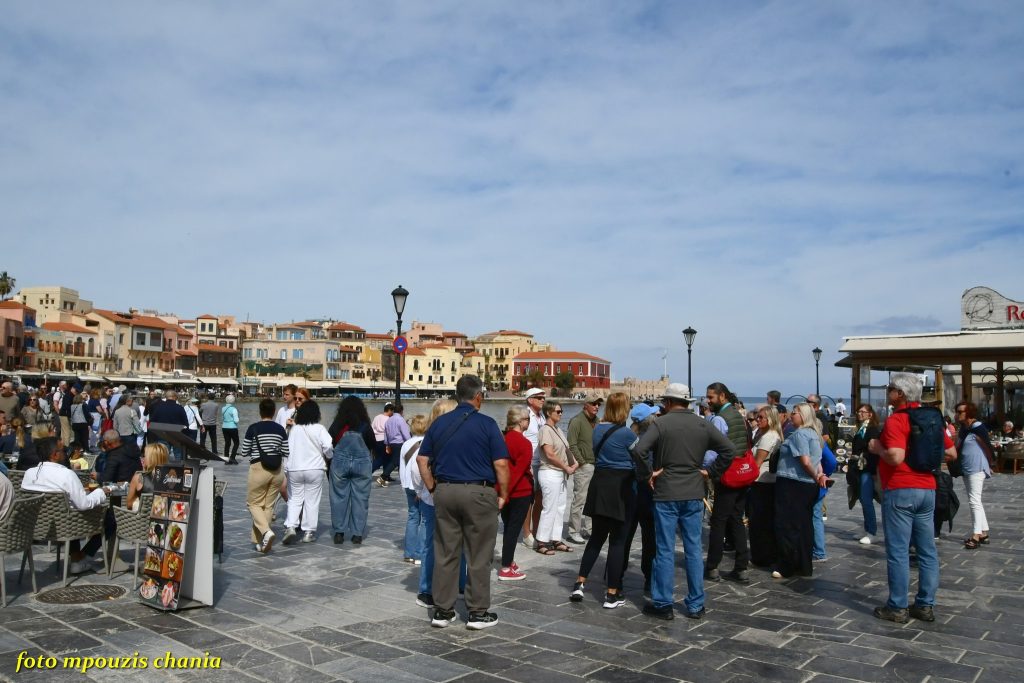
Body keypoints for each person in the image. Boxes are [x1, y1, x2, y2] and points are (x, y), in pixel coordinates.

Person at [416, 375, 509, 630]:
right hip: (479, 493)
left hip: (445, 491)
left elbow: (422, 461)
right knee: (479, 554)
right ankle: (477, 613)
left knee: (446, 552)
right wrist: (504, 494)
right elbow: (501, 464)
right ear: (478, 396)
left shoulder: (439, 424)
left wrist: (433, 488)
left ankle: (442, 611)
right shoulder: (488, 424)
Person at [636, 383, 735, 621]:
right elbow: (729, 450)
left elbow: (639, 450)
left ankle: (663, 603)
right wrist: (710, 472)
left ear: (669, 402)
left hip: (667, 492)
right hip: (693, 492)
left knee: (664, 550)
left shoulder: (661, 423)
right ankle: (695, 604)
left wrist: (648, 474)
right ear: (688, 402)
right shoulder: (702, 423)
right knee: (692, 549)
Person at [869, 373, 956, 623]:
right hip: (927, 488)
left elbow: (895, 457)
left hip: (900, 488)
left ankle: (897, 606)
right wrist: (923, 460)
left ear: (900, 394)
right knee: (927, 551)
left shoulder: (897, 420)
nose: (888, 392)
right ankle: (925, 604)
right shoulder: (932, 418)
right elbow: (950, 453)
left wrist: (877, 449)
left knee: (898, 551)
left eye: (891, 389)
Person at [569, 392, 640, 609]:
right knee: (618, 541)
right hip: (621, 487)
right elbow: (641, 458)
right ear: (624, 410)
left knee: (596, 538)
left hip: (600, 485)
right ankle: (611, 593)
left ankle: (580, 582)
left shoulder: (597, 429)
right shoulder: (627, 434)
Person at [21, 438, 115, 573]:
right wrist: (102, 492)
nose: (67, 452)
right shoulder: (66, 474)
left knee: (69, 508)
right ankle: (82, 556)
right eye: (63, 450)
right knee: (110, 518)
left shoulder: (29, 473)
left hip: (37, 526)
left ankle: (76, 557)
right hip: (65, 526)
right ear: (54, 455)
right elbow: (84, 504)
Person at [412, 399, 466, 608]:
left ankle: (427, 590)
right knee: (457, 543)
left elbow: (417, 470)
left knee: (430, 545)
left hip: (430, 498)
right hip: (448, 496)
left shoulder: (428, 438)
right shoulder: (458, 438)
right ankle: (459, 585)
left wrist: (426, 490)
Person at [703, 382, 752, 584]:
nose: (708, 401)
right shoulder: (738, 415)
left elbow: (714, 450)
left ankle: (713, 566)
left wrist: (707, 469)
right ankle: (741, 567)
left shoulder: (720, 420)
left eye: (711, 397)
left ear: (722, 396)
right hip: (741, 474)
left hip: (726, 475)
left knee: (719, 522)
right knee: (736, 519)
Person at [772, 403, 824, 579]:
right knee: (803, 525)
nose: (791, 415)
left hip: (792, 482)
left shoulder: (800, 434)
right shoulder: (813, 434)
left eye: (794, 413)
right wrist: (818, 476)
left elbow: (806, 461)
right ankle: (803, 564)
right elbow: (818, 460)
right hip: (805, 484)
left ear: (803, 416)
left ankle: (786, 565)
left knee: (786, 525)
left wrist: (815, 476)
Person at [241, 398, 289, 553]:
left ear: (260, 411)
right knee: (267, 506)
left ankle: (266, 532)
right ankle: (259, 542)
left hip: (259, 468)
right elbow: (286, 452)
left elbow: (244, 451)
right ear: (274, 412)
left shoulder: (253, 428)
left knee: (253, 504)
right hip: (277, 471)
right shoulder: (280, 429)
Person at [282, 399, 333, 545]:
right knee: (312, 500)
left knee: (294, 499)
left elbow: (287, 450)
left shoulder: (295, 429)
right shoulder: (320, 428)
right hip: (315, 469)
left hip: (295, 468)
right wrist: (329, 457)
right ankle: (309, 532)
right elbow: (328, 446)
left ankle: (291, 526)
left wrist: (286, 468)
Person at [621, 403, 659, 594]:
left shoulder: (628, 435)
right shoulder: (652, 440)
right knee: (649, 537)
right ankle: (649, 578)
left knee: (624, 535)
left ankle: (616, 575)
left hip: (630, 490)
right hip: (646, 492)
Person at [327, 396, 376, 545]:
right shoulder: (365, 425)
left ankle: (339, 532)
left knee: (338, 497)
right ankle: (357, 534)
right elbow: (372, 444)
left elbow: (329, 443)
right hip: (361, 465)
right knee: (360, 498)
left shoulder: (337, 425)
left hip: (340, 464)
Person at [497, 405, 534, 581]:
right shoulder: (524, 444)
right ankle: (506, 567)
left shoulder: (502, 439)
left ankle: (508, 560)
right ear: (520, 421)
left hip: (504, 490)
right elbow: (518, 472)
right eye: (528, 419)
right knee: (513, 529)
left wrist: (501, 493)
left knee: (507, 526)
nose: (529, 421)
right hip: (519, 492)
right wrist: (506, 494)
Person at [535, 399, 578, 554]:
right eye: (558, 411)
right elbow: (549, 454)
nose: (561, 414)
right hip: (550, 472)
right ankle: (541, 541)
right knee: (549, 508)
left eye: (562, 411)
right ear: (548, 412)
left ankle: (556, 539)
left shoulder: (558, 430)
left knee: (560, 508)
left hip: (560, 474)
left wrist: (575, 463)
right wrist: (566, 467)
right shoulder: (545, 430)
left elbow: (566, 449)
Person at [748, 405, 783, 568]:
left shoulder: (768, 437)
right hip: (765, 481)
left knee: (760, 521)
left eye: (761, 417)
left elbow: (757, 462)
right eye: (757, 417)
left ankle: (762, 555)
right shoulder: (765, 434)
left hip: (762, 482)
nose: (757, 420)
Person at [954, 402, 993, 549]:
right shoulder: (965, 429)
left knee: (974, 501)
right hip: (967, 468)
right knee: (975, 500)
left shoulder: (978, 428)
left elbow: (987, 446)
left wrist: (990, 464)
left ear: (969, 413)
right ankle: (984, 533)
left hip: (976, 468)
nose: (957, 414)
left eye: (960, 412)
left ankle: (976, 535)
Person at [566, 394, 602, 544]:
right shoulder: (576, 421)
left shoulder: (598, 421)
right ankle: (573, 531)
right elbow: (571, 444)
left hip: (596, 465)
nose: (597, 407)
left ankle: (590, 529)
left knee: (593, 499)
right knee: (579, 499)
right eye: (593, 404)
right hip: (584, 466)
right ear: (585, 405)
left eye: (598, 404)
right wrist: (581, 462)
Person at [848, 405, 881, 545]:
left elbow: (874, 451)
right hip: (858, 468)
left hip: (867, 468)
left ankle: (872, 532)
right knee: (861, 498)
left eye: (863, 412)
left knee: (866, 499)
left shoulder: (872, 429)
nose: (859, 414)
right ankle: (867, 528)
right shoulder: (860, 428)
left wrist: (873, 471)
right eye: (859, 411)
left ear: (870, 414)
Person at [399, 414, 429, 563]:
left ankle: (409, 552)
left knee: (412, 517)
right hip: (420, 485)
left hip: (408, 484)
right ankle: (419, 553)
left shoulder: (406, 444)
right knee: (424, 519)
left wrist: (404, 483)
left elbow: (402, 465)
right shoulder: (426, 443)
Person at [521, 387, 546, 548]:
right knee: (528, 500)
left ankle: (536, 529)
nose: (543, 400)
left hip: (542, 462)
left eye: (543, 397)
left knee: (540, 498)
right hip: (529, 462)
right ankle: (526, 533)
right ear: (530, 400)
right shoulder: (524, 415)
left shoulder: (542, 416)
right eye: (539, 397)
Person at [126, 443, 170, 512]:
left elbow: (129, 504)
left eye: (144, 456)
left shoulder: (139, 478)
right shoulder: (174, 478)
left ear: (151, 459)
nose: (142, 458)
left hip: (145, 519)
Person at [384, 403, 412, 488]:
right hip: (400, 443)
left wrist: (387, 444)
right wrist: (410, 442)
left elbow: (386, 433)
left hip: (392, 443)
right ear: (401, 411)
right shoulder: (400, 419)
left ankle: (402, 479)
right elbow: (405, 433)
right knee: (396, 462)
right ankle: (383, 476)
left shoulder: (388, 420)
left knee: (400, 462)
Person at [370, 403, 394, 487]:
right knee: (382, 459)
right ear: (390, 410)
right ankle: (369, 472)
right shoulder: (389, 419)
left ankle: (386, 475)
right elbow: (389, 431)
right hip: (384, 440)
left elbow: (372, 428)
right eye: (392, 411)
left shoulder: (377, 417)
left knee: (384, 458)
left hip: (376, 439)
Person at [221, 394, 240, 464]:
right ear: (233, 401)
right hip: (232, 427)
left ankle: (226, 459)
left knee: (227, 443)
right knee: (236, 443)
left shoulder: (223, 408)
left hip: (224, 427)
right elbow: (236, 420)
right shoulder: (234, 409)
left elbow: (223, 418)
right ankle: (232, 457)